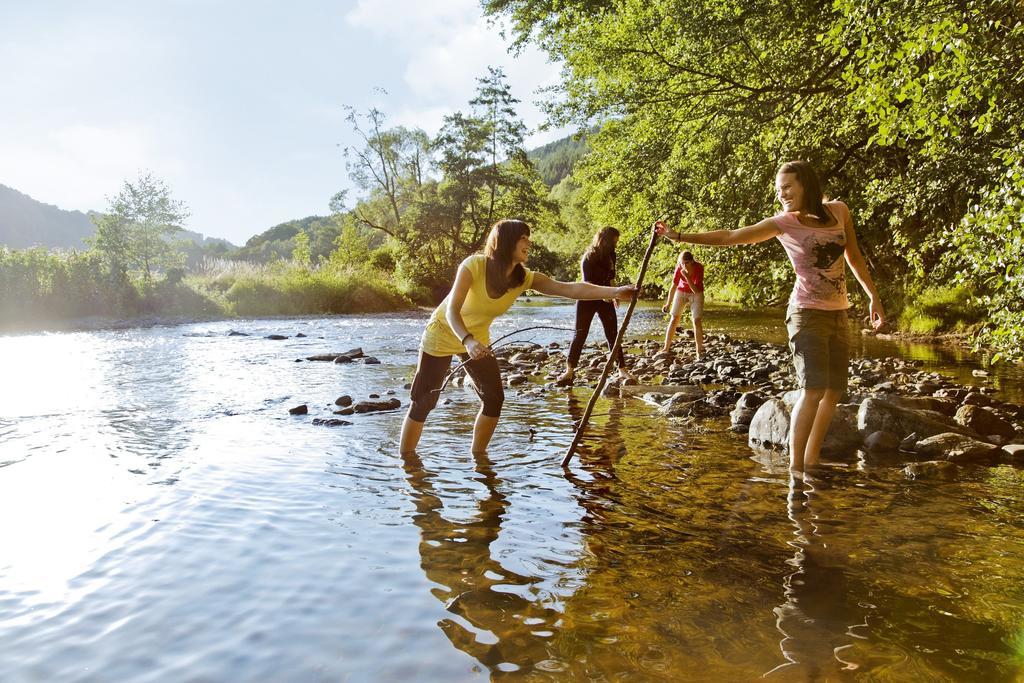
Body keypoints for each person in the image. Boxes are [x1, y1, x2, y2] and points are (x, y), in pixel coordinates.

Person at [655, 160, 884, 473]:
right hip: (805, 313)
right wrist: (679, 236)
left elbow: (854, 256)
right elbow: (731, 236)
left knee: (833, 392)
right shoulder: (784, 222)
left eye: (787, 187)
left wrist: (873, 295)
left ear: (806, 184)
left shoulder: (840, 211)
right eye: (779, 190)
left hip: (838, 313)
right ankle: (796, 468)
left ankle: (811, 460)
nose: (782, 194)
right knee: (813, 390)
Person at [400, 218, 636, 455]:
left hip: (477, 339)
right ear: (505, 242)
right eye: (523, 237)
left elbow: (570, 288)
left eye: (528, 237)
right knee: (424, 401)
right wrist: (467, 340)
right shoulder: (473, 265)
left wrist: (615, 291)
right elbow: (452, 310)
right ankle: (407, 462)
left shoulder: (523, 278)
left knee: (494, 400)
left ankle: (479, 459)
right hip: (444, 332)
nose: (529, 243)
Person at [557, 226, 635, 386]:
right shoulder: (589, 257)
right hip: (587, 297)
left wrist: (616, 293)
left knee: (613, 333)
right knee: (580, 334)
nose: (616, 243)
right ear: (605, 240)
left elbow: (611, 276)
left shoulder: (612, 255)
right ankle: (569, 371)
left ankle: (622, 369)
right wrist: (605, 294)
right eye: (614, 240)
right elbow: (587, 285)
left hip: (607, 296)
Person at [660, 250, 705, 358]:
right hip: (681, 291)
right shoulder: (679, 268)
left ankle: (699, 353)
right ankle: (666, 348)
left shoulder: (699, 268)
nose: (684, 265)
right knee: (674, 318)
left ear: (692, 261)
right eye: (682, 263)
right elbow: (673, 287)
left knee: (696, 320)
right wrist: (668, 304)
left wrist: (687, 277)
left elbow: (695, 290)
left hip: (696, 293)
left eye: (687, 263)